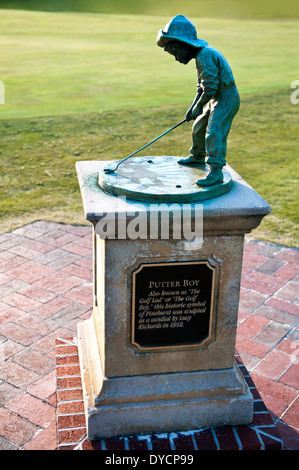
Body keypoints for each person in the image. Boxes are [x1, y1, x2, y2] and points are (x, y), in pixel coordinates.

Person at [156, 15, 240, 186]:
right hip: (215, 95)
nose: (177, 58)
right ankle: (197, 156)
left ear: (184, 46)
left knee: (214, 131)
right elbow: (201, 86)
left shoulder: (204, 55)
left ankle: (216, 172)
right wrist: (193, 107)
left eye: (176, 53)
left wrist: (199, 106)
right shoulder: (200, 56)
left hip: (226, 97)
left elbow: (211, 88)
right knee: (199, 125)